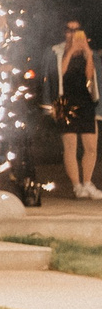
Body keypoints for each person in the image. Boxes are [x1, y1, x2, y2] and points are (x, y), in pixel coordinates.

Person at [54, 20, 99, 199]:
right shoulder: (57, 51)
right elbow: (60, 73)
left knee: (91, 146)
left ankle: (87, 182)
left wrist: (87, 52)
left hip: (85, 100)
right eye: (69, 30)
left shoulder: (89, 53)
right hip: (65, 101)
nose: (72, 33)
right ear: (64, 32)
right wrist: (71, 50)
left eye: (76, 29)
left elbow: (90, 77)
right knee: (70, 146)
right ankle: (76, 185)